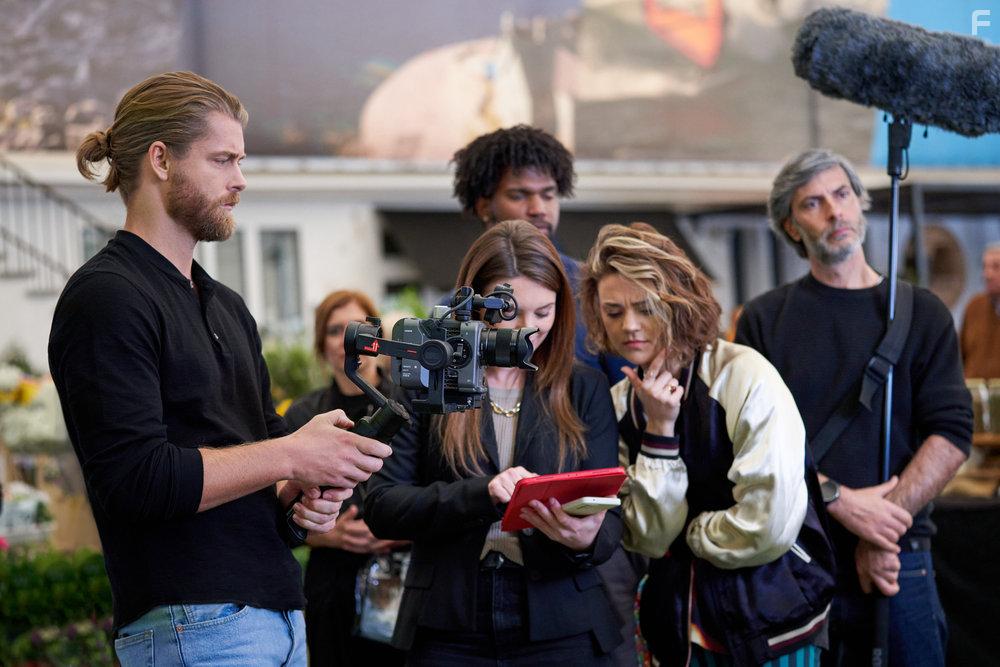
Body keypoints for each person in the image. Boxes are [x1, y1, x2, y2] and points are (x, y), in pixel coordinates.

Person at [48, 71, 392, 666]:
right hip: (193, 626)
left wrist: (303, 493)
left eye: (240, 160)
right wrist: (291, 455)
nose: (240, 180)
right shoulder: (106, 296)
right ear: (160, 159)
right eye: (223, 159)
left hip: (280, 615)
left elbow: (260, 461)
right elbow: (136, 480)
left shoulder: (225, 304)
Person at [735, 149, 972, 667]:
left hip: (899, 557)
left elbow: (952, 432)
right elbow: (754, 446)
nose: (834, 212)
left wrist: (884, 524)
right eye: (813, 204)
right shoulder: (763, 320)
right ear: (791, 227)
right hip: (796, 557)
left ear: (861, 204)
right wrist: (842, 503)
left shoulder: (921, 312)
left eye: (842, 195)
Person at [364, 220, 624, 665]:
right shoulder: (426, 378)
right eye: (511, 313)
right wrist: (480, 494)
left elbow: (609, 517)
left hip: (560, 616)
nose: (529, 329)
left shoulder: (585, 388)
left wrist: (585, 538)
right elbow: (383, 507)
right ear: (472, 304)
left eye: (545, 313)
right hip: (448, 620)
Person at [581, 222, 836, 666]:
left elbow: (769, 522)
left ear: (677, 302)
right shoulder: (621, 402)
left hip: (771, 618)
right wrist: (660, 432)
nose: (631, 326)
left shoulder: (743, 375)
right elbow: (646, 537)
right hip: (676, 623)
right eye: (613, 311)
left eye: (646, 307)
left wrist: (692, 535)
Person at [452, 128, 639, 665]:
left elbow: (619, 393)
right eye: (520, 194)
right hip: (471, 559)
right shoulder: (458, 313)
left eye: (549, 194)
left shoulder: (592, 291)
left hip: (588, 523)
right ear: (483, 202)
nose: (538, 207)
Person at [283, 289, 406, 667]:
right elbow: (277, 511)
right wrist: (326, 534)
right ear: (322, 345)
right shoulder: (304, 414)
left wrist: (393, 530)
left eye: (358, 326)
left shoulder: (407, 405)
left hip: (400, 582)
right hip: (330, 587)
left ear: (378, 336)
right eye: (335, 330)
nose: (347, 339)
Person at [959, 242, 1000, 379]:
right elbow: (959, 356)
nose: (987, 274)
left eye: (996, 267)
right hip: (973, 396)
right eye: (985, 266)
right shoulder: (974, 306)